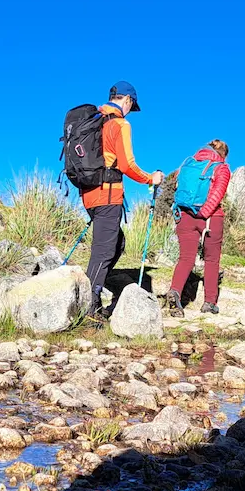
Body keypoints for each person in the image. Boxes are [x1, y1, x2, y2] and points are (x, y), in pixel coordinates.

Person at [79, 82, 164, 319]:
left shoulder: (95, 120)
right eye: (131, 104)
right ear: (126, 99)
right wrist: (151, 179)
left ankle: (92, 292)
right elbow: (127, 164)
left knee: (116, 243)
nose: (130, 109)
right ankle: (90, 304)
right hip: (108, 193)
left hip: (89, 192)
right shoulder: (119, 124)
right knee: (104, 250)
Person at [166, 139, 231, 315]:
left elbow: (177, 186)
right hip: (210, 218)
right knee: (211, 260)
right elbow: (217, 194)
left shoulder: (187, 164)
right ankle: (209, 302)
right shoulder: (221, 168)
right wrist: (203, 213)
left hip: (184, 215)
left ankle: (175, 291)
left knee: (186, 258)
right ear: (223, 154)